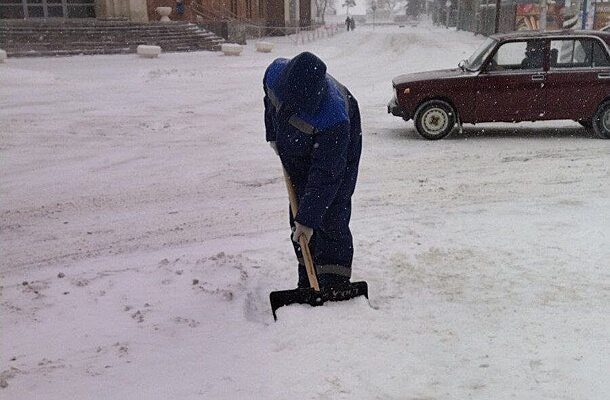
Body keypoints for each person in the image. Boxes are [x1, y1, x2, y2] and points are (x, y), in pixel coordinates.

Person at [263, 52, 362, 289]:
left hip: (337, 143)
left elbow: (328, 174)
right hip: (295, 140)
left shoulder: (334, 116)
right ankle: (308, 275)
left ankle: (334, 279)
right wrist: (273, 134)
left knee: (332, 206)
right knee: (299, 203)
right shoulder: (275, 74)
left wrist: (309, 220)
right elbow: (269, 102)